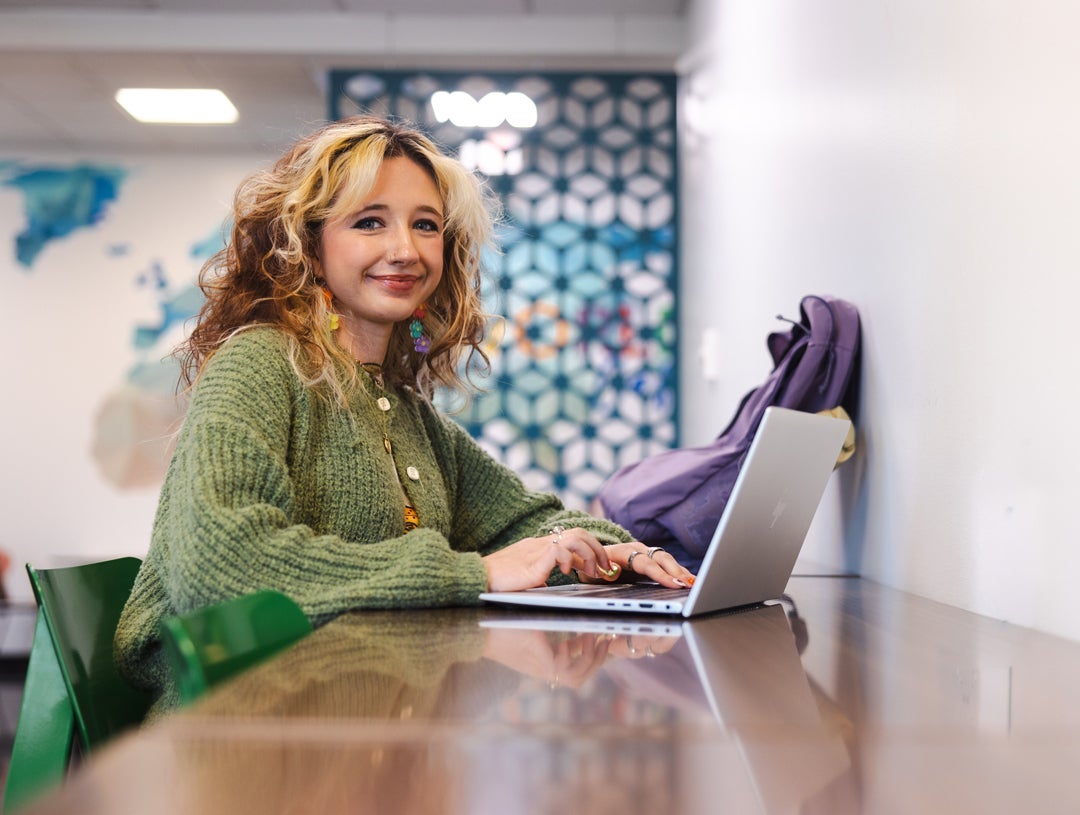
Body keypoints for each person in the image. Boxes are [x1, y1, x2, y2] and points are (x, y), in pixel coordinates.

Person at [113, 115, 694, 709]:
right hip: (244, 738)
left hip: (363, 717)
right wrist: (475, 575)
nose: (406, 250)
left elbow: (521, 524)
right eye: (370, 223)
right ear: (308, 247)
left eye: (426, 226)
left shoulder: (401, 407)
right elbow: (221, 566)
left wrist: (608, 552)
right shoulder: (258, 363)